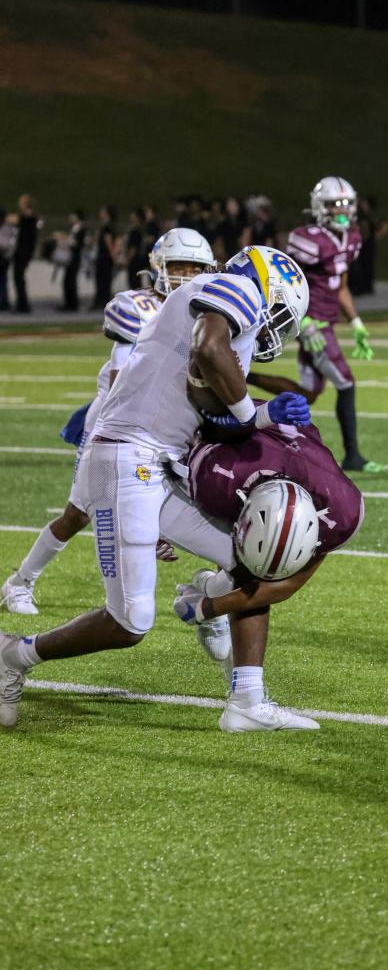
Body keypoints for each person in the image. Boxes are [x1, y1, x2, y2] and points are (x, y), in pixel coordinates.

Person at [0, 245, 312, 734]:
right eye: (282, 315)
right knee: (130, 622)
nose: (277, 329)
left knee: (255, 559)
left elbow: (206, 403)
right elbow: (209, 349)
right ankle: (13, 655)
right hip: (128, 458)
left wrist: (263, 415)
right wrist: (252, 413)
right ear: (269, 290)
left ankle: (246, 699)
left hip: (158, 464)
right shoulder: (234, 289)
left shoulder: (219, 315)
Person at [1, 229, 216, 616]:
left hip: (168, 424)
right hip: (116, 421)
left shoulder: (205, 313)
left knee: (205, 497)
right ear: (158, 267)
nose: (186, 276)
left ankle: (213, 596)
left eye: (194, 268)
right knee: (78, 514)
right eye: (179, 266)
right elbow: (121, 381)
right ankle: (20, 582)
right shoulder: (137, 307)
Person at [156, 417, 365, 716]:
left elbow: (285, 586)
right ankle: (246, 697)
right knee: (239, 561)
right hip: (216, 439)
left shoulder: (342, 514)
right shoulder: (214, 475)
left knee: (259, 567)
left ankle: (211, 591)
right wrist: (146, 528)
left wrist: (206, 607)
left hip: (290, 458)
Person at [247, 176, 381, 473]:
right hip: (312, 324)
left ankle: (245, 375)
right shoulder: (307, 239)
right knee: (346, 383)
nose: (342, 210)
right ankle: (353, 455)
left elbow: (341, 286)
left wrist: (356, 322)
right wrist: (303, 321)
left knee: (308, 393)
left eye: (346, 204)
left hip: (327, 322)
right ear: (320, 207)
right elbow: (283, 281)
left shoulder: (352, 237)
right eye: (335, 205)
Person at [349, 195, 388, 296]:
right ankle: (357, 286)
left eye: (365, 203)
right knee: (357, 265)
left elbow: (383, 225)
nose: (363, 205)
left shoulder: (371, 215)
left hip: (368, 243)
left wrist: (376, 237)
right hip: (358, 243)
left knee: (367, 265)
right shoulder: (359, 215)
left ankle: (366, 287)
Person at [13, 194, 39, 314]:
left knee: (18, 277)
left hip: (23, 252)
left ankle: (23, 304)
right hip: (23, 252)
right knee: (18, 278)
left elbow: (15, 219)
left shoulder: (29, 218)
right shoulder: (28, 218)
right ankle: (22, 303)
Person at [91, 204, 118, 309]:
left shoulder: (107, 227)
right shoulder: (108, 226)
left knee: (103, 280)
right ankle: (101, 300)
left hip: (104, 258)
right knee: (103, 280)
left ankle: (102, 301)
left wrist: (113, 256)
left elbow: (109, 242)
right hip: (104, 257)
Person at [61, 210, 87, 311]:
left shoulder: (80, 229)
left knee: (71, 280)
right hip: (71, 256)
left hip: (74, 257)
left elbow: (76, 243)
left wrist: (65, 239)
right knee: (68, 280)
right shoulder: (74, 228)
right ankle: (69, 303)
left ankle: (72, 304)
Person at [0, 208, 18, 311]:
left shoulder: (9, 227)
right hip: (5, 255)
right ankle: (4, 301)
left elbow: (12, 242)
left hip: (4, 255)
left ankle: (4, 301)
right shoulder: (10, 227)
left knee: (3, 279)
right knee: (3, 279)